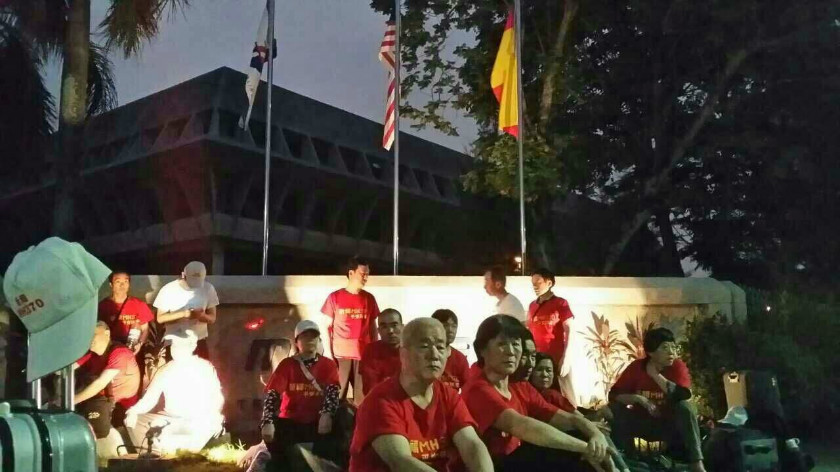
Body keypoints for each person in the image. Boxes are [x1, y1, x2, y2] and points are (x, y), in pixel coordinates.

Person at [461, 315, 614, 471]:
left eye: (516, 344)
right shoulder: (477, 389)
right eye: (502, 344)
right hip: (494, 466)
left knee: (581, 439)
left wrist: (596, 435)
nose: (511, 352)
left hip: (520, 460)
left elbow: (568, 419)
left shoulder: (520, 386)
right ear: (482, 350)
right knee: (571, 450)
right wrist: (585, 448)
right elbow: (522, 426)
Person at [350, 318, 494, 472]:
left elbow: (472, 445)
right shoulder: (380, 400)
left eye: (440, 347)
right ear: (403, 354)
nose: (434, 355)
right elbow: (401, 461)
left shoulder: (449, 396)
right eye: (424, 346)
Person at [608, 328, 705, 472]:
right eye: (665, 348)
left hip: (669, 424)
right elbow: (614, 394)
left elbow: (682, 395)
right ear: (651, 352)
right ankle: (625, 459)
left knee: (686, 407)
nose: (671, 352)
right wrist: (638, 399)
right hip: (643, 422)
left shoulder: (677, 366)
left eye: (673, 347)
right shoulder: (637, 367)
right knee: (613, 409)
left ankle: (696, 463)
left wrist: (655, 375)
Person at [125, 330, 224, 454]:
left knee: (206, 425)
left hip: (196, 419)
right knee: (136, 420)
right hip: (169, 418)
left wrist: (215, 415)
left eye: (181, 345)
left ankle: (184, 455)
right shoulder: (166, 369)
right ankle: (152, 456)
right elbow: (150, 398)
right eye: (174, 345)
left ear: (192, 346)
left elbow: (216, 397)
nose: (176, 349)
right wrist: (134, 411)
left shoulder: (204, 368)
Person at [531, 352, 631, 472]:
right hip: (558, 437)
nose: (545, 374)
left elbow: (578, 417)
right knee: (599, 433)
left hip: (564, 433)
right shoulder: (547, 395)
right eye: (539, 370)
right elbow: (578, 418)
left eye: (549, 370)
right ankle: (621, 467)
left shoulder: (552, 394)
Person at [260, 319, 340, 468]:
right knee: (278, 449)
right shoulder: (287, 365)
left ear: (319, 340)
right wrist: (267, 422)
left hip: (317, 422)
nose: (310, 340)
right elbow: (272, 394)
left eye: (313, 336)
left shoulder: (328, 365)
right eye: (305, 336)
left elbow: (332, 392)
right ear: (297, 342)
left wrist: (327, 414)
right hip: (291, 421)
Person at [321, 256, 380, 402]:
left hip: (363, 356)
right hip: (341, 356)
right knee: (337, 397)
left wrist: (374, 353)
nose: (366, 278)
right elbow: (325, 327)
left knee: (363, 399)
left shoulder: (369, 298)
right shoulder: (334, 297)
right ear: (351, 273)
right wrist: (329, 354)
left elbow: (373, 328)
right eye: (362, 274)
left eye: (367, 274)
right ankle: (334, 424)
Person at [74, 322, 140, 438]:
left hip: (121, 411)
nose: (88, 338)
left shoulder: (120, 353)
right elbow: (66, 369)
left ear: (107, 333)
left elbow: (100, 383)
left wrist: (71, 401)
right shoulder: (92, 355)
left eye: (92, 334)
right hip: (103, 404)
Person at [527, 267, 576, 406]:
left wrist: (566, 357)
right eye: (533, 283)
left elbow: (570, 329)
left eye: (539, 282)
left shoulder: (560, 303)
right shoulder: (532, 305)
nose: (535, 286)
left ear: (549, 283)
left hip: (557, 358)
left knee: (564, 395)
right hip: (538, 359)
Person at [152, 261, 219, 360]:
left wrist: (201, 316)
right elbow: (160, 318)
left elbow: (212, 318)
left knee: (201, 373)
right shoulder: (168, 289)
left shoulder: (208, 288)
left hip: (199, 341)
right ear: (183, 274)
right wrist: (183, 314)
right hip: (175, 342)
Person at [98, 271, 154, 354]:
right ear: (111, 285)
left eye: (125, 281)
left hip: (132, 349)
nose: (122, 285)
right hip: (110, 350)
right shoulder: (103, 306)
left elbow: (145, 329)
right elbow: (98, 329)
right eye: (118, 282)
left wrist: (140, 344)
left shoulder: (139, 304)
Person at [360, 308, 404, 395]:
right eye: (384, 326)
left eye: (394, 325)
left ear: (402, 327)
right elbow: (370, 389)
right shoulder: (371, 350)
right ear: (379, 330)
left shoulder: (412, 350)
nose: (390, 331)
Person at [431, 309, 470, 391]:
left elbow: (468, 390)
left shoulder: (460, 359)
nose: (450, 330)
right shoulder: (424, 356)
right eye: (445, 325)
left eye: (454, 326)